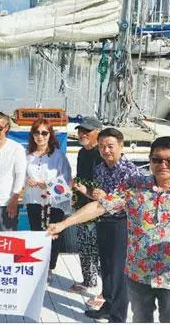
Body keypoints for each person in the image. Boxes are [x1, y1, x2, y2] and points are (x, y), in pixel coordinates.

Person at [48, 136, 170, 323]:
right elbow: (100, 206)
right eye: (157, 160)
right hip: (139, 275)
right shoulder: (134, 186)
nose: (163, 165)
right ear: (150, 161)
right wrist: (63, 224)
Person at [77, 128, 141, 322]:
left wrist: (104, 197)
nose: (106, 150)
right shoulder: (100, 168)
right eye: (102, 146)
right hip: (103, 220)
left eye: (110, 146)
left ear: (121, 146)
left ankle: (118, 315)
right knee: (105, 267)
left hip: (122, 223)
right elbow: (99, 198)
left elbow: (125, 201)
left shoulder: (130, 171)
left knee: (118, 271)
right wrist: (86, 191)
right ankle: (108, 304)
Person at [23, 118, 72, 281]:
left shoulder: (58, 156)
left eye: (44, 132)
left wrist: (48, 184)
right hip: (33, 200)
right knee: (36, 232)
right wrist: (26, 181)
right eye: (36, 132)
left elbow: (66, 179)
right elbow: (20, 174)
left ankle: (50, 267)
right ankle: (38, 265)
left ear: (50, 135)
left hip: (53, 202)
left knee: (52, 235)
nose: (40, 136)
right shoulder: (27, 155)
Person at [69, 117, 104, 306]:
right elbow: (82, 177)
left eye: (87, 131)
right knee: (84, 246)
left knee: (101, 251)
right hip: (82, 206)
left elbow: (105, 189)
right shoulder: (82, 152)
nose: (82, 134)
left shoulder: (102, 154)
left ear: (98, 132)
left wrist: (87, 191)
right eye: (81, 130)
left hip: (100, 210)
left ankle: (107, 292)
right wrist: (76, 186)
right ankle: (88, 281)